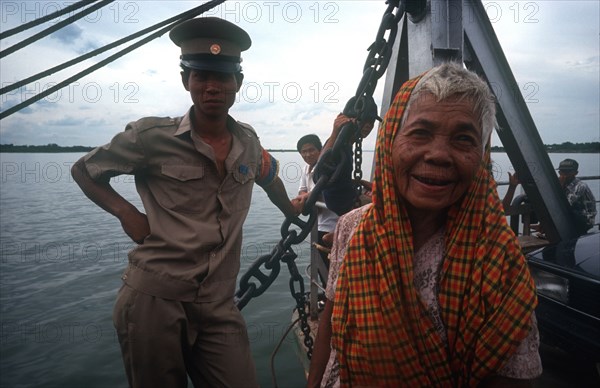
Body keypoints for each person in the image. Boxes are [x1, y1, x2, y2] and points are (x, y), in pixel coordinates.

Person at [71, 17, 295, 388]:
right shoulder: (149, 136)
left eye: (222, 77)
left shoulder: (250, 144)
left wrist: (294, 212)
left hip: (218, 305)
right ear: (185, 81)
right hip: (153, 301)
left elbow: (270, 179)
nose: (212, 87)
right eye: (201, 75)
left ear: (238, 83)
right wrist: (126, 212)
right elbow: (84, 170)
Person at [309, 62, 542, 387]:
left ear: (482, 153)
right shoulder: (353, 228)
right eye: (420, 133)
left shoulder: (498, 258)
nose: (438, 155)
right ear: (391, 139)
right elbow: (330, 327)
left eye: (463, 139)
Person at [292, 134, 339, 262]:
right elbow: (302, 190)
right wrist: (305, 197)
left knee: (333, 262)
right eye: (304, 151)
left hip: (333, 225)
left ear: (320, 150)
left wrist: (302, 199)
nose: (308, 154)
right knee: (321, 264)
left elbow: (323, 189)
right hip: (317, 224)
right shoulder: (305, 168)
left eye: (311, 150)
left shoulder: (328, 167)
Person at [556, 158, 597, 234]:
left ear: (576, 173)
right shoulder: (565, 184)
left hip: (585, 219)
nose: (564, 175)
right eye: (561, 172)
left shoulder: (580, 186)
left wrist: (559, 186)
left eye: (567, 172)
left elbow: (567, 204)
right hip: (574, 216)